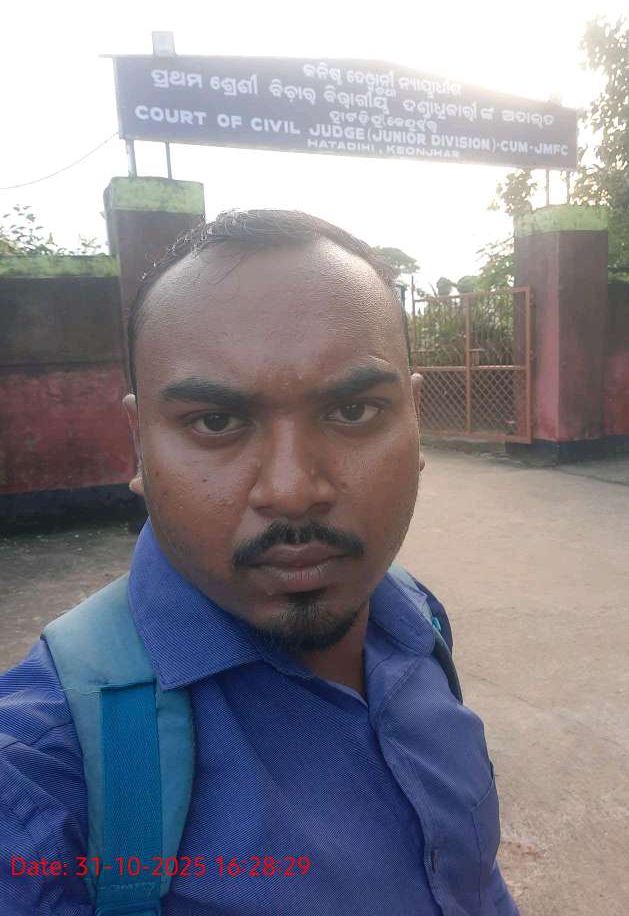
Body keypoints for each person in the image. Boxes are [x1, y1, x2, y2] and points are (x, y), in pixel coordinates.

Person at [0, 209, 519, 915]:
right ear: (138, 444)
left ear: (415, 421)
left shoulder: (413, 615)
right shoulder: (41, 765)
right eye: (216, 422)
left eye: (354, 411)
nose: (292, 490)